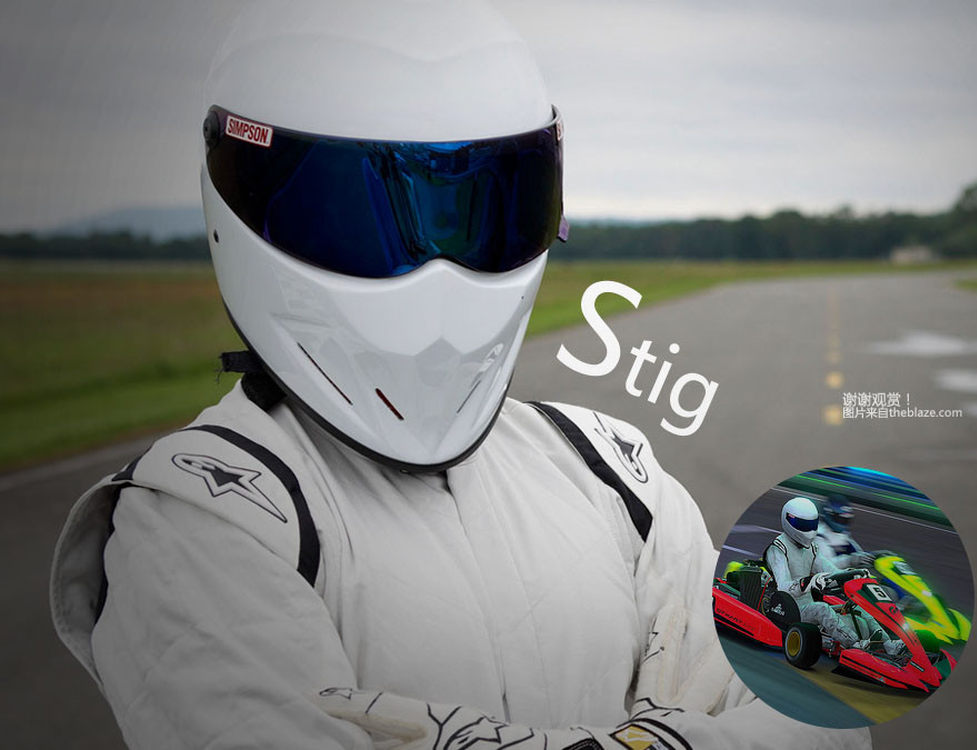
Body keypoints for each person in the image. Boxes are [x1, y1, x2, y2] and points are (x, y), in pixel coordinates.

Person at [50, 2, 869, 748]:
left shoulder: (614, 468)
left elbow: (824, 712)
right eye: (364, 212)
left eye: (479, 207)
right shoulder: (200, 510)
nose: (437, 269)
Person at [765, 497, 901, 654]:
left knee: (857, 604)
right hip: (787, 609)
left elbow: (832, 571)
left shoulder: (811, 549)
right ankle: (855, 645)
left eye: (811, 525)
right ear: (788, 520)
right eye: (803, 525)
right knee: (821, 608)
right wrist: (811, 581)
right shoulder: (777, 550)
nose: (808, 530)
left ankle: (887, 644)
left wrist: (853, 575)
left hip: (809, 605)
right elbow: (784, 588)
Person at [815, 494, 875, 570]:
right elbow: (826, 565)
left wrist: (871, 557)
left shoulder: (843, 534)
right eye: (841, 519)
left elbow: (858, 553)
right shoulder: (819, 536)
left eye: (846, 520)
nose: (843, 522)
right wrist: (850, 560)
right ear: (829, 515)